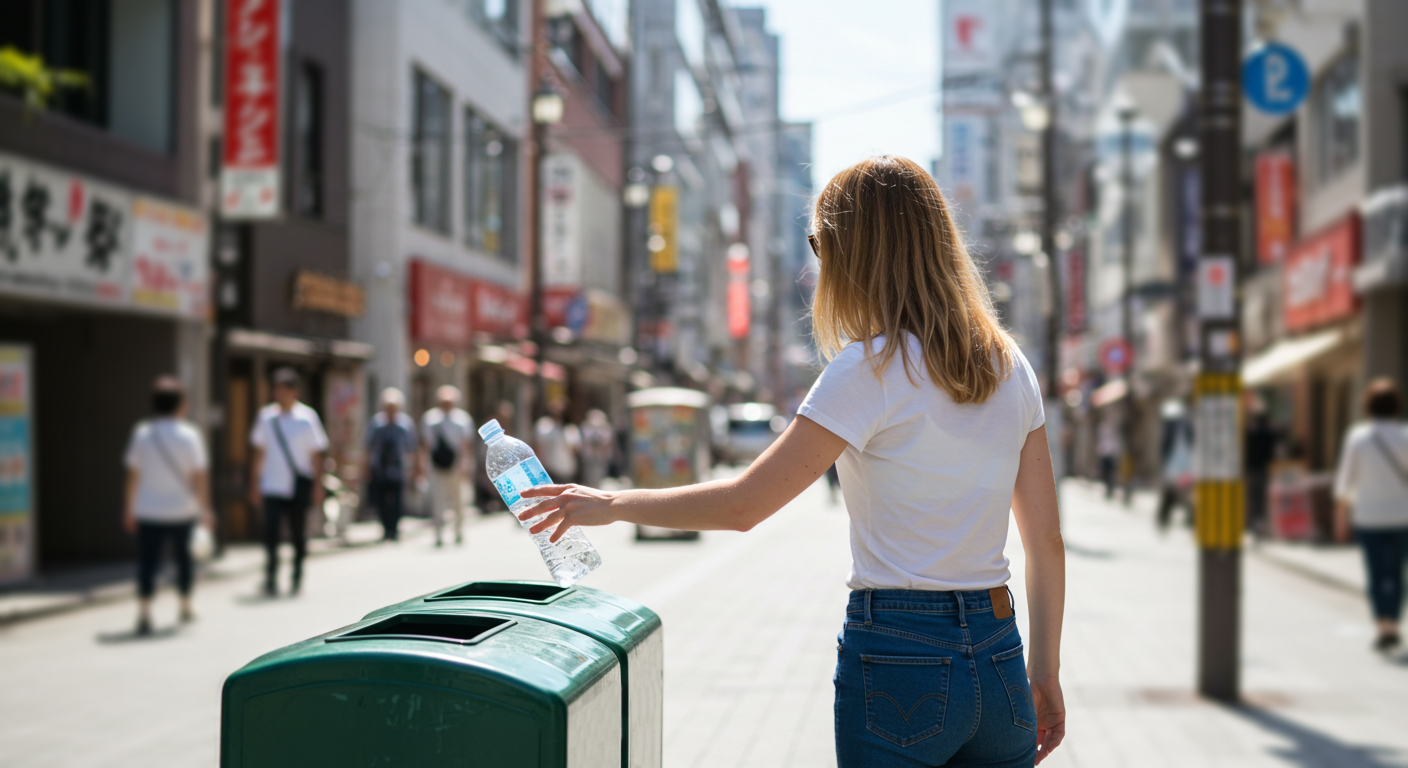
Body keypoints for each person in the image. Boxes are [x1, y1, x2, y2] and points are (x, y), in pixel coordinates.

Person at [516, 157, 1066, 767]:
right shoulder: (1008, 365)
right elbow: (1045, 539)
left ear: (856, 252)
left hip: (899, 653)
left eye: (821, 244)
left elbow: (746, 505)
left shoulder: (870, 367)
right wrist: (1046, 673)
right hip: (999, 653)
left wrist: (613, 504)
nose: (819, 263)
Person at [123, 376, 211, 635]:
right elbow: (199, 476)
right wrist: (205, 508)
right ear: (180, 405)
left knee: (147, 562)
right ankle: (185, 604)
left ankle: (144, 611)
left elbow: (133, 475)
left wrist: (129, 508)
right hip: (182, 509)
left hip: (148, 510)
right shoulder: (189, 434)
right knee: (183, 560)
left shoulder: (142, 433)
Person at [1333, 377, 1408, 654]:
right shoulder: (1406, 435)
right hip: (1403, 516)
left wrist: (1341, 515)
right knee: (1398, 573)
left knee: (1376, 573)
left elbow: (1345, 481)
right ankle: (1395, 625)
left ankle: (1382, 626)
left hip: (1369, 517)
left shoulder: (1358, 437)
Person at [249, 368, 327, 596]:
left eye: (283, 388)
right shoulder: (266, 417)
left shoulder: (307, 417)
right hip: (272, 484)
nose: (278, 393)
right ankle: (271, 578)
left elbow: (316, 455)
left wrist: (318, 485)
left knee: (297, 533)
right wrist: (254, 483)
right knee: (271, 532)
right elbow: (259, 452)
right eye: (276, 388)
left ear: (294, 391)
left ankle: (296, 574)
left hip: (297, 483)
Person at [421, 385, 475, 546]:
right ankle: (438, 533)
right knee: (438, 501)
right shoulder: (430, 419)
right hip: (436, 466)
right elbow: (425, 445)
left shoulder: (462, 419)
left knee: (458, 501)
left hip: (456, 466)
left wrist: (466, 466)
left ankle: (458, 531)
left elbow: (466, 445)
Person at [367, 387, 418, 542]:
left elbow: (412, 448)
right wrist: (365, 466)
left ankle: (394, 528)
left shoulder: (405, 424)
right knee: (381, 500)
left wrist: (416, 468)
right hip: (380, 468)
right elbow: (368, 446)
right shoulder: (376, 424)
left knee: (397, 500)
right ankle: (385, 528)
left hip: (398, 468)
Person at [534, 398, 580, 483]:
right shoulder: (544, 425)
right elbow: (539, 447)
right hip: (549, 468)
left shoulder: (570, 429)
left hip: (567, 469)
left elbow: (576, 449)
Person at [579, 409, 616, 488]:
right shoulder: (586, 427)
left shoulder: (606, 428)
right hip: (589, 457)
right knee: (590, 477)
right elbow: (588, 441)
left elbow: (606, 443)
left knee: (600, 477)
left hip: (601, 457)